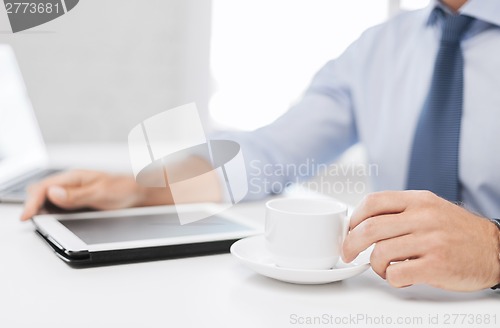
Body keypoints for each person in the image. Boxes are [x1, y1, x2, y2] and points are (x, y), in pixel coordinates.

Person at [21, 0, 500, 292]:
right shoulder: (378, 47)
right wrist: (139, 190)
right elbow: (269, 156)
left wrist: (494, 250)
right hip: (399, 304)